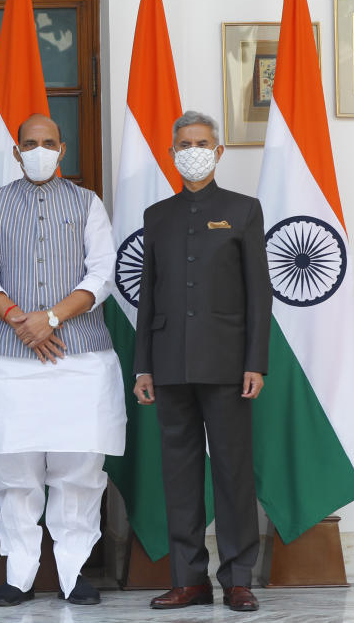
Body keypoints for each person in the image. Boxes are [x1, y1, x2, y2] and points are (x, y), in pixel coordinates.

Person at [0, 113, 127, 607]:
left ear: (63, 148)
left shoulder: (87, 203)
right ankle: (20, 573)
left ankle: (74, 574)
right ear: (15, 151)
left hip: (79, 356)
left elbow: (102, 273)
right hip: (6, 358)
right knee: (13, 470)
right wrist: (19, 321)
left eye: (48, 142)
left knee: (78, 467)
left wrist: (49, 319)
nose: (39, 150)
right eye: (29, 143)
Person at [133, 110, 272, 613]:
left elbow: (260, 294)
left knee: (234, 472)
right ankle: (188, 579)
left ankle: (238, 578)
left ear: (218, 150)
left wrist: (256, 361)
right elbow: (148, 297)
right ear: (172, 153)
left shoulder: (244, 210)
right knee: (179, 473)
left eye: (203, 142)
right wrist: (142, 365)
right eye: (184, 143)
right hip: (169, 365)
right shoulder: (157, 215)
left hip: (228, 364)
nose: (194, 149)